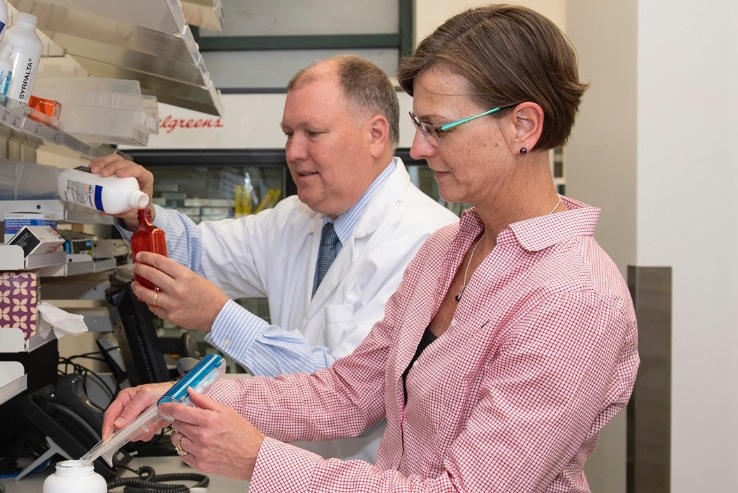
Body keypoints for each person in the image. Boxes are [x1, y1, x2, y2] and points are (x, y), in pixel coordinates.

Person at [102, 5, 640, 492]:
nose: (422, 148)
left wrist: (259, 460)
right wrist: (180, 398)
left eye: (438, 128)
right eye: (420, 126)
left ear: (523, 124)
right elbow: (347, 393)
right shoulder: (445, 252)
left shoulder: (574, 299)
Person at [91, 55, 456, 460]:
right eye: (288, 133)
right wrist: (138, 212)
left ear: (375, 134)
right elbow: (197, 252)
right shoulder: (296, 219)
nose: (294, 152)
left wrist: (218, 317)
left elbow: (346, 392)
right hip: (285, 467)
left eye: (313, 133)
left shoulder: (427, 239)